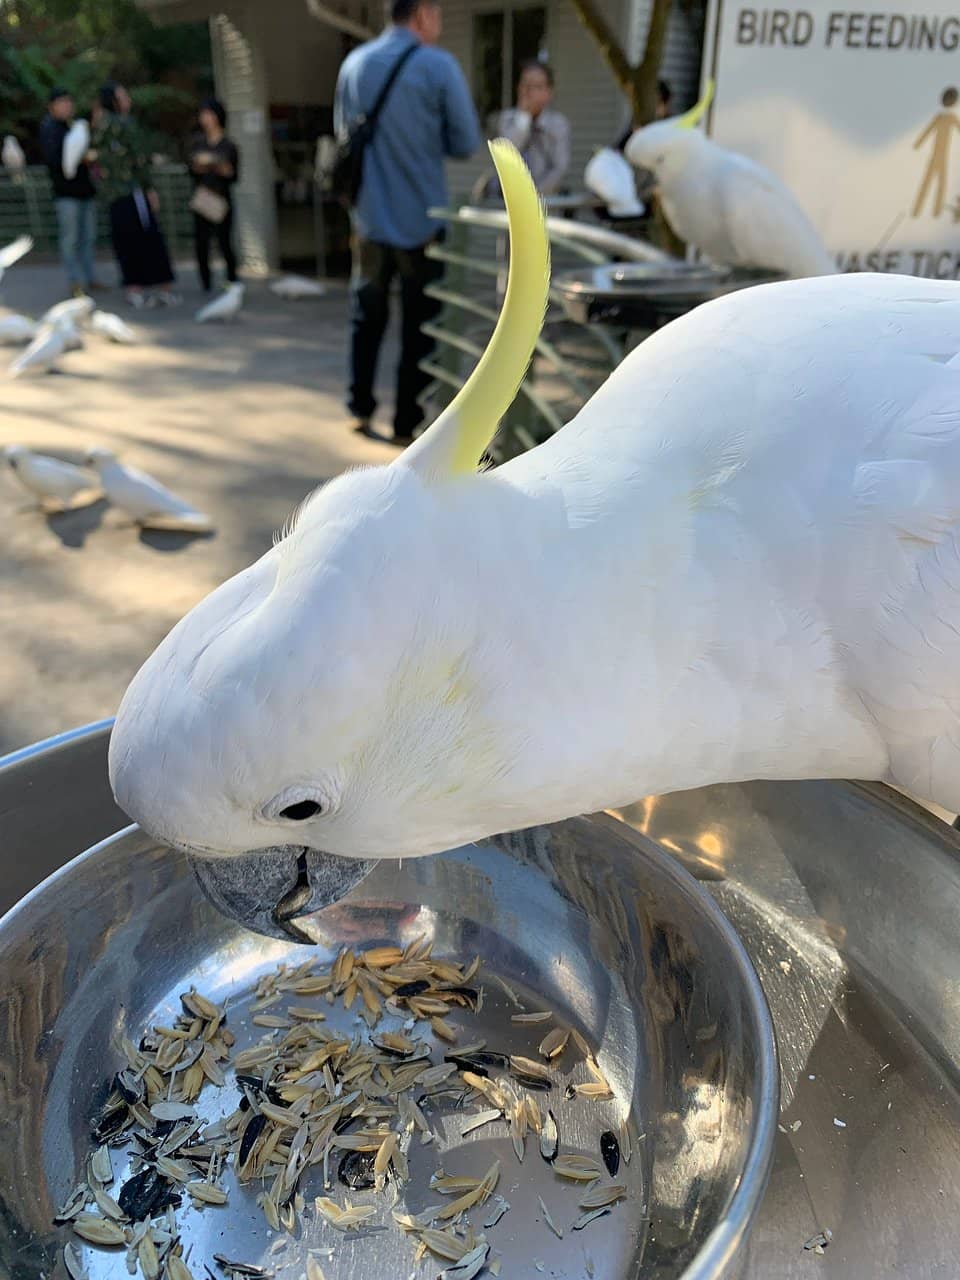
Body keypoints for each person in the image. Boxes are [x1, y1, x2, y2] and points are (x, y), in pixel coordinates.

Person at [334, 0, 481, 445]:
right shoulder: (438, 66)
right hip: (423, 221)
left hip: (368, 220)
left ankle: (359, 407)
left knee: (366, 316)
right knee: (420, 326)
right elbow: (466, 141)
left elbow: (344, 135)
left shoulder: (354, 65)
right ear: (422, 15)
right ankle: (405, 425)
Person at [93, 83, 178, 308]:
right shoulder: (126, 124)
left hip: (113, 196)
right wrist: (149, 189)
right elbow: (139, 161)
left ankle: (133, 289)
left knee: (124, 242)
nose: (128, 100)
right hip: (133, 191)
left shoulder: (99, 126)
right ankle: (163, 288)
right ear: (114, 101)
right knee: (149, 238)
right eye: (123, 96)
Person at [39, 88, 99, 297]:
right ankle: (75, 282)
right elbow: (55, 160)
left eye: (69, 101)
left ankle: (89, 278)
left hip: (85, 191)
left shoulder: (73, 126)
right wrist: (81, 159)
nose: (67, 106)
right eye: (62, 102)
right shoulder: (49, 129)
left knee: (88, 237)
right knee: (70, 239)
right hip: (66, 194)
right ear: (52, 106)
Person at [490, 61, 570, 196]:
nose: (529, 92)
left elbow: (560, 168)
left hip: (544, 199)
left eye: (537, 87)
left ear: (548, 92)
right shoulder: (507, 119)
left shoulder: (558, 124)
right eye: (525, 85)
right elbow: (506, 154)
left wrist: (534, 195)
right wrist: (524, 117)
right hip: (507, 198)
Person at [188, 99, 240, 292]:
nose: (205, 118)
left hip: (221, 198)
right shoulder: (198, 142)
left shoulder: (229, 145)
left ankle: (232, 282)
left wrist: (212, 164)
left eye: (209, 114)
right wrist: (214, 165)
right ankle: (206, 283)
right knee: (201, 244)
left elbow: (232, 174)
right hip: (202, 197)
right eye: (203, 114)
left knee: (225, 242)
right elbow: (193, 168)